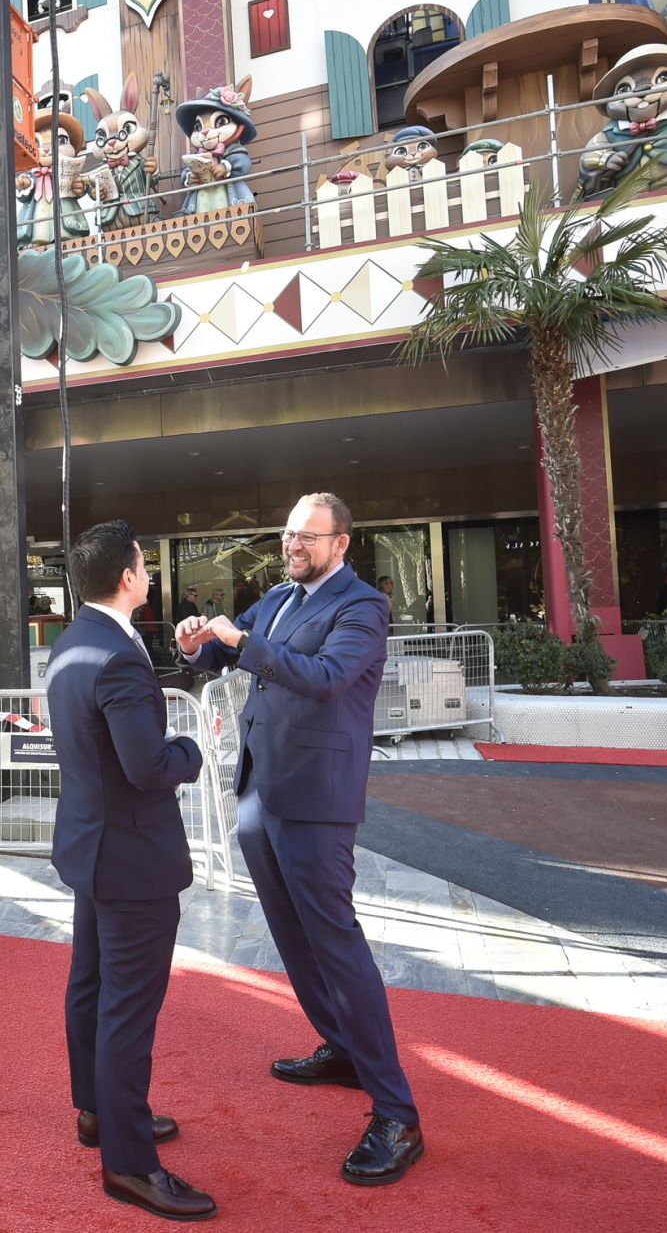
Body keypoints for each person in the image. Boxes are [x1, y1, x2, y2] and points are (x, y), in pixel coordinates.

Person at [176, 493, 425, 1187]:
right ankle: (342, 1049)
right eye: (288, 535)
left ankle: (397, 1113)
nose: (293, 545)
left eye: (307, 537)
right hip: (261, 789)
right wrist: (197, 643)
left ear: (341, 543)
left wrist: (240, 641)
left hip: (316, 797)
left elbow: (324, 678)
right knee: (292, 935)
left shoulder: (362, 607)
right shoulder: (278, 597)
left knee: (336, 942)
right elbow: (228, 657)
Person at [45, 520, 216, 1221]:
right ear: (128, 579)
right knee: (126, 1007)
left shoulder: (74, 643)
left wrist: (185, 668)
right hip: (132, 855)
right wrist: (193, 749)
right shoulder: (115, 655)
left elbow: (123, 721)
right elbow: (148, 763)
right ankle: (129, 1163)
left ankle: (99, 1113)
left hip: (92, 846)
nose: (148, 572)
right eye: (144, 563)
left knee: (90, 985)